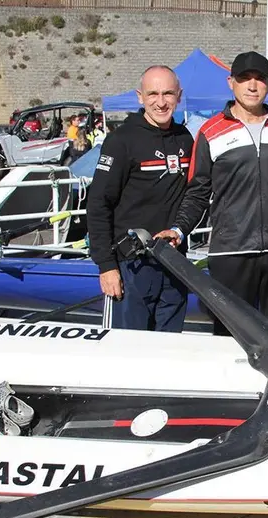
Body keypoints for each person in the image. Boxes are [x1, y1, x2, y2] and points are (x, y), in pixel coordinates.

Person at [157, 51, 268, 334]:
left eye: (259, 79)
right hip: (231, 252)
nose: (252, 85)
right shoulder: (210, 131)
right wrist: (179, 229)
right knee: (230, 337)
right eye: (244, 78)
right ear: (231, 83)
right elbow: (198, 192)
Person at [87, 65, 194, 332]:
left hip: (173, 264)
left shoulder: (185, 139)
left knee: (170, 347)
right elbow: (98, 204)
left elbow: (196, 195)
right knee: (129, 349)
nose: (161, 102)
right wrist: (106, 266)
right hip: (131, 266)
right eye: (153, 94)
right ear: (140, 97)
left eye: (168, 93)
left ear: (179, 96)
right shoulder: (121, 141)